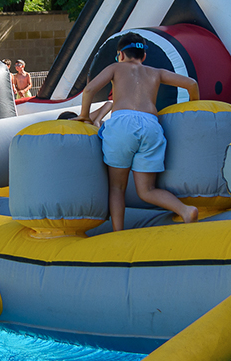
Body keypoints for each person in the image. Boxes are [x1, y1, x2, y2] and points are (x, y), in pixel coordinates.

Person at [77, 33, 200, 231]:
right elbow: (192, 84)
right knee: (147, 190)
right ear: (143, 56)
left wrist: (84, 115)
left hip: (122, 125)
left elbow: (89, 90)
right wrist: (196, 108)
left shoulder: (115, 68)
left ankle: (118, 233)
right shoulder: (156, 72)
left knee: (117, 188)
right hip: (151, 125)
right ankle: (185, 210)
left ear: (120, 55)